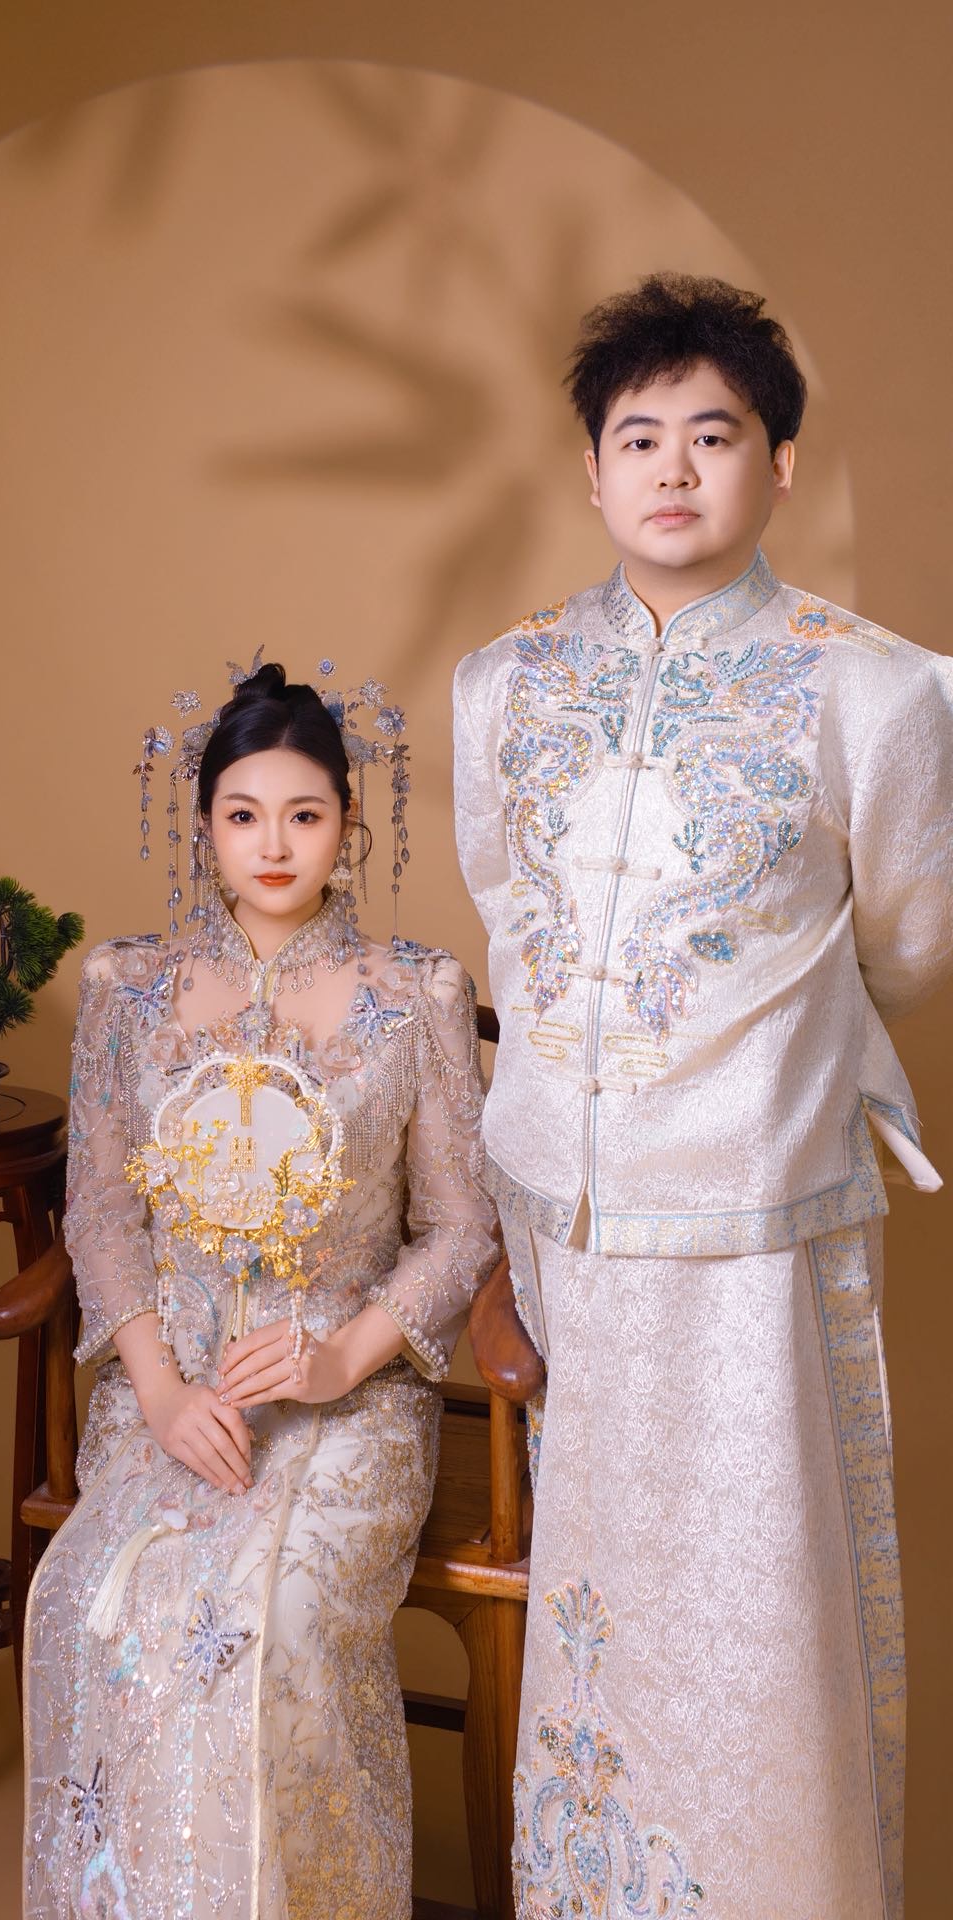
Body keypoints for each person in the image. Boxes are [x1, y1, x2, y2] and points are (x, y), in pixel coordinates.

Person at [453, 273, 953, 1920]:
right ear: (592, 471)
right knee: (604, 1627)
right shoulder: (505, 684)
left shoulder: (877, 692)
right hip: (565, 1229)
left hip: (757, 1225)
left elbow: (909, 944)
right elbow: (510, 914)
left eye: (715, 436)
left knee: (763, 1615)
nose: (673, 469)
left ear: (781, 466)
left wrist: (752, 1068)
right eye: (639, 437)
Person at [24, 660, 498, 1919]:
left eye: (303, 813)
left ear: (347, 824)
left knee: (277, 1617)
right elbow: (99, 1212)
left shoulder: (415, 993)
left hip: (351, 1404)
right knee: (99, 1606)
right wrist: (160, 1392)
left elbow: (461, 1227)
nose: (273, 845)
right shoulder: (127, 989)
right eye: (243, 814)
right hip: (170, 1391)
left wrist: (341, 1358)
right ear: (202, 826)